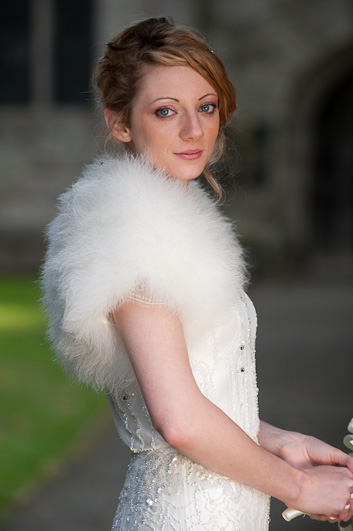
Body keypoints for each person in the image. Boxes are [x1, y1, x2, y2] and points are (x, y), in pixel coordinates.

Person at [41, 17, 353, 531]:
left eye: (206, 107)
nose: (194, 130)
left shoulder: (171, 226)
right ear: (120, 123)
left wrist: (277, 441)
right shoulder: (132, 234)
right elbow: (179, 420)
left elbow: (198, 394)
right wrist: (299, 487)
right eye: (166, 111)